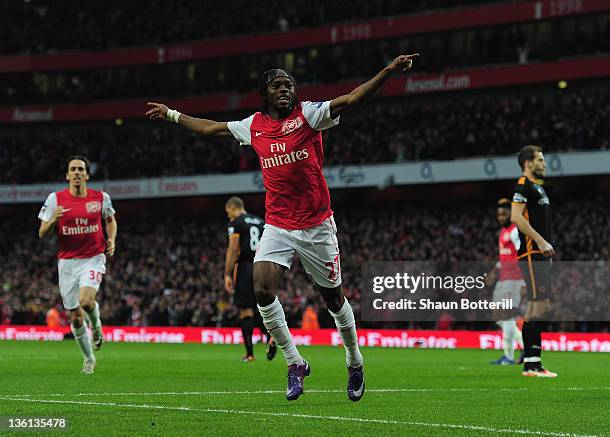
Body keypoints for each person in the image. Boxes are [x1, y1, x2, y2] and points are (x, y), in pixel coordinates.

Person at [147, 53, 418, 401]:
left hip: (317, 225)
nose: (285, 90)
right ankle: (295, 362)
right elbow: (211, 128)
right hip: (278, 223)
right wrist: (171, 114)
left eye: (289, 85)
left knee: (333, 299)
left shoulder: (309, 114)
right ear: (265, 93)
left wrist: (388, 72)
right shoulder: (254, 125)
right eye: (278, 86)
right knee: (261, 288)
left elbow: (352, 98)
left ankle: (354, 360)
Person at [38, 156, 117, 374]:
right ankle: (88, 358)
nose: (76, 173)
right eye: (72, 169)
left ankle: (98, 328)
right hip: (67, 262)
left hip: (93, 257)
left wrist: (111, 240)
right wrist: (53, 219)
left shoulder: (101, 198)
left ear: (87, 175)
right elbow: (42, 233)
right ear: (67, 175)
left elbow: (110, 220)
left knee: (86, 301)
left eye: (80, 169)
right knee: (75, 315)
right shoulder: (56, 199)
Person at [511, 145, 557, 377]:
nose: (544, 163)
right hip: (531, 253)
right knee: (539, 305)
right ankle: (532, 363)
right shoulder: (523, 185)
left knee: (536, 306)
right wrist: (540, 242)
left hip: (539, 255)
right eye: (540, 159)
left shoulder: (538, 189)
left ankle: (532, 362)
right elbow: (516, 216)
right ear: (528, 163)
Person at [224, 196, 276, 362]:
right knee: (260, 309)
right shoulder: (261, 222)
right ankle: (271, 336)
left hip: (246, 267)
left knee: (246, 310)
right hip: (263, 266)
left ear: (233, 208)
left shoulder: (236, 222)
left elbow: (233, 249)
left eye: (228, 213)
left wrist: (227, 273)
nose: (229, 216)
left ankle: (250, 354)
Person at [488, 198, 525, 365]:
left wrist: (525, 281)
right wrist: (494, 271)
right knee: (499, 317)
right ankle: (524, 346)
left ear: (511, 214)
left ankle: (509, 357)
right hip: (503, 278)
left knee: (507, 316)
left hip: (514, 279)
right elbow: (505, 256)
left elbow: (522, 254)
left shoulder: (514, 231)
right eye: (499, 215)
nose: (501, 217)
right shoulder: (503, 232)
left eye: (504, 214)